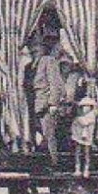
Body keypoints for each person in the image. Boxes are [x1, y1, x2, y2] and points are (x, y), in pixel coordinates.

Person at [31, 39, 66, 168]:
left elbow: (55, 83)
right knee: (41, 134)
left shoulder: (48, 60)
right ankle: (44, 163)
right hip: (37, 102)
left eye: (37, 47)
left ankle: (54, 163)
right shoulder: (34, 63)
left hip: (45, 102)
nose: (34, 50)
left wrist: (53, 103)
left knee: (49, 134)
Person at [71, 95, 98, 178]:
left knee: (87, 153)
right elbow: (75, 127)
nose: (86, 108)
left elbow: (88, 125)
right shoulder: (78, 117)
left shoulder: (92, 116)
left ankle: (86, 169)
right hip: (78, 136)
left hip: (88, 137)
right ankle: (77, 168)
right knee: (78, 152)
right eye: (84, 106)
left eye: (88, 106)